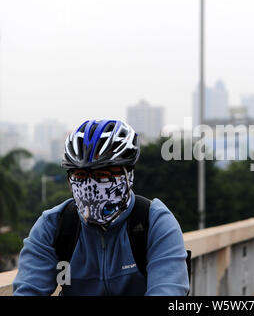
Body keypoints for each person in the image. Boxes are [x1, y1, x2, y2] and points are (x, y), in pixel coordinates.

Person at [13, 119, 189, 295]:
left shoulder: (155, 223)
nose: (90, 186)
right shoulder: (53, 226)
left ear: (129, 176)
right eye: (80, 175)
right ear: (69, 179)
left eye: (102, 175)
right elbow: (28, 289)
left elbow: (168, 290)